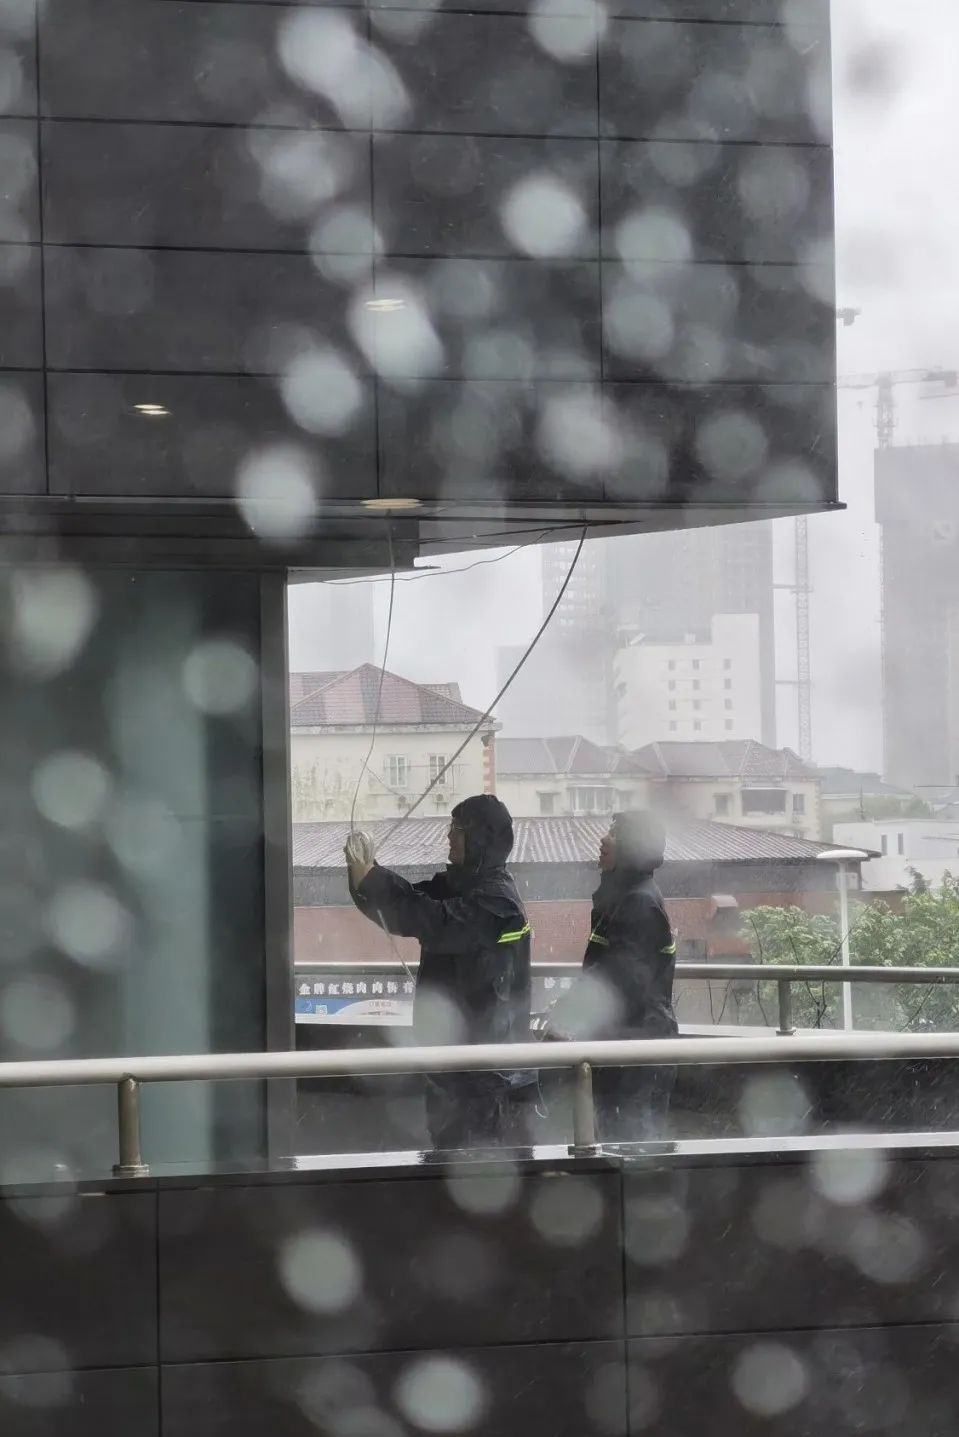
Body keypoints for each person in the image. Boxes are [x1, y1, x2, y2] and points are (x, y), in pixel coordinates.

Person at [345, 794, 532, 1151]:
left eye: (458, 830)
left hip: (487, 1076)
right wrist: (363, 875)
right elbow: (405, 905)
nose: (449, 837)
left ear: (481, 839)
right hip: (455, 1069)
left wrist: (370, 878)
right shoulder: (461, 887)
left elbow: (433, 920)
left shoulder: (497, 902)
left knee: (477, 1175)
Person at [547, 810, 677, 1142]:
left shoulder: (638, 903)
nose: (604, 840)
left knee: (631, 1153)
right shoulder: (620, 897)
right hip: (622, 1045)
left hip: (636, 1053)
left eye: (615, 834)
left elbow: (619, 983)